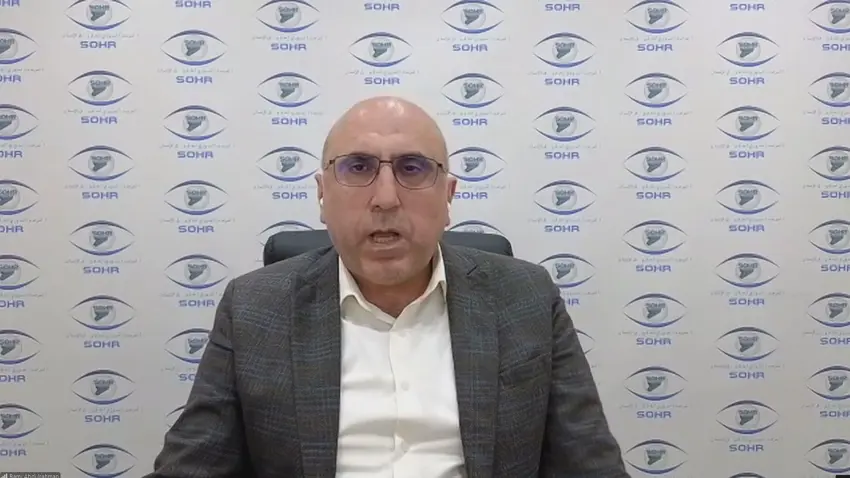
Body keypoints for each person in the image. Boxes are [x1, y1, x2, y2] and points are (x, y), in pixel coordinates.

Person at [147, 96, 629, 477]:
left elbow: (589, 465)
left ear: (448, 197)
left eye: (412, 168)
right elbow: (192, 466)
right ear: (321, 194)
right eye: (357, 167)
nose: (385, 198)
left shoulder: (525, 298)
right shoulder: (255, 308)